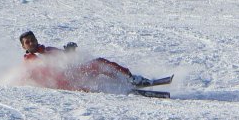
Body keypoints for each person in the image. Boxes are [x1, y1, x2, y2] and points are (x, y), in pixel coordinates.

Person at [18, 31, 150, 92]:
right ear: (24, 47)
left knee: (99, 63)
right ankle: (123, 85)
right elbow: (31, 76)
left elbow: (64, 57)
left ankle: (129, 79)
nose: (31, 42)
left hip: (72, 74)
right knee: (97, 67)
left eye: (32, 39)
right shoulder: (30, 61)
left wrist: (69, 51)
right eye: (27, 42)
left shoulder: (46, 50)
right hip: (66, 82)